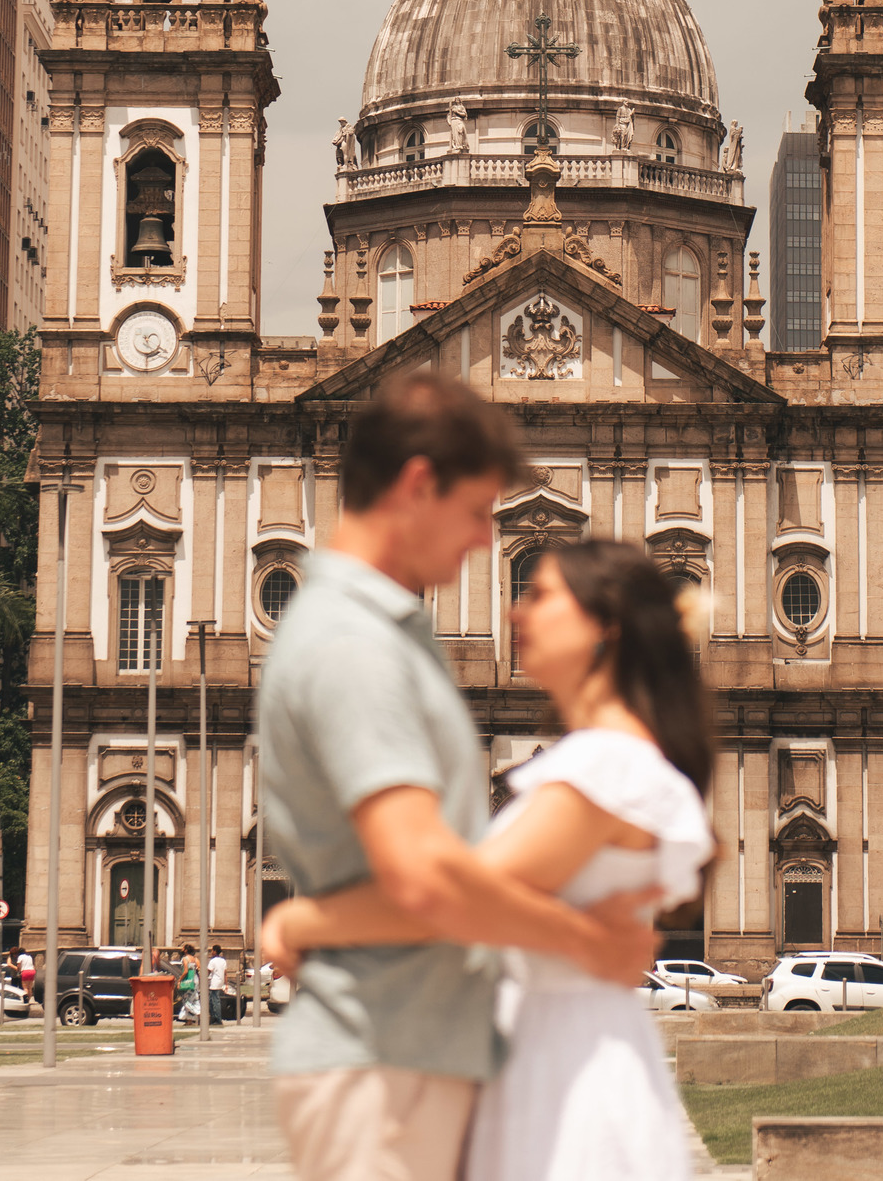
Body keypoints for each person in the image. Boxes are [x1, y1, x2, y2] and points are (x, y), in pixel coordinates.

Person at [258, 377, 657, 1181]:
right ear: (416, 486)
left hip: (411, 1054)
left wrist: (307, 925)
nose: (485, 540)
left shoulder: (381, 633)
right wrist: (586, 942)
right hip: (381, 1064)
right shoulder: (353, 646)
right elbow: (423, 878)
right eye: (478, 510)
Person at [176, 944, 201, 1022]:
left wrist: (179, 980)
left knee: (187, 1000)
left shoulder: (185, 959)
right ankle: (189, 1020)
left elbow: (186, 971)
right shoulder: (195, 959)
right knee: (194, 999)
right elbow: (199, 968)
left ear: (186, 950)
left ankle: (198, 1012)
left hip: (188, 981)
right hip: (195, 980)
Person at [208, 943, 227, 1024]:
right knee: (212, 1000)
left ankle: (217, 1019)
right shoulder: (223, 961)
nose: (211, 952)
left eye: (212, 950)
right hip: (220, 981)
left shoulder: (212, 961)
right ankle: (213, 1017)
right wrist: (226, 983)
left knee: (215, 1001)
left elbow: (208, 971)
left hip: (214, 982)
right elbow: (225, 973)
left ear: (215, 951)